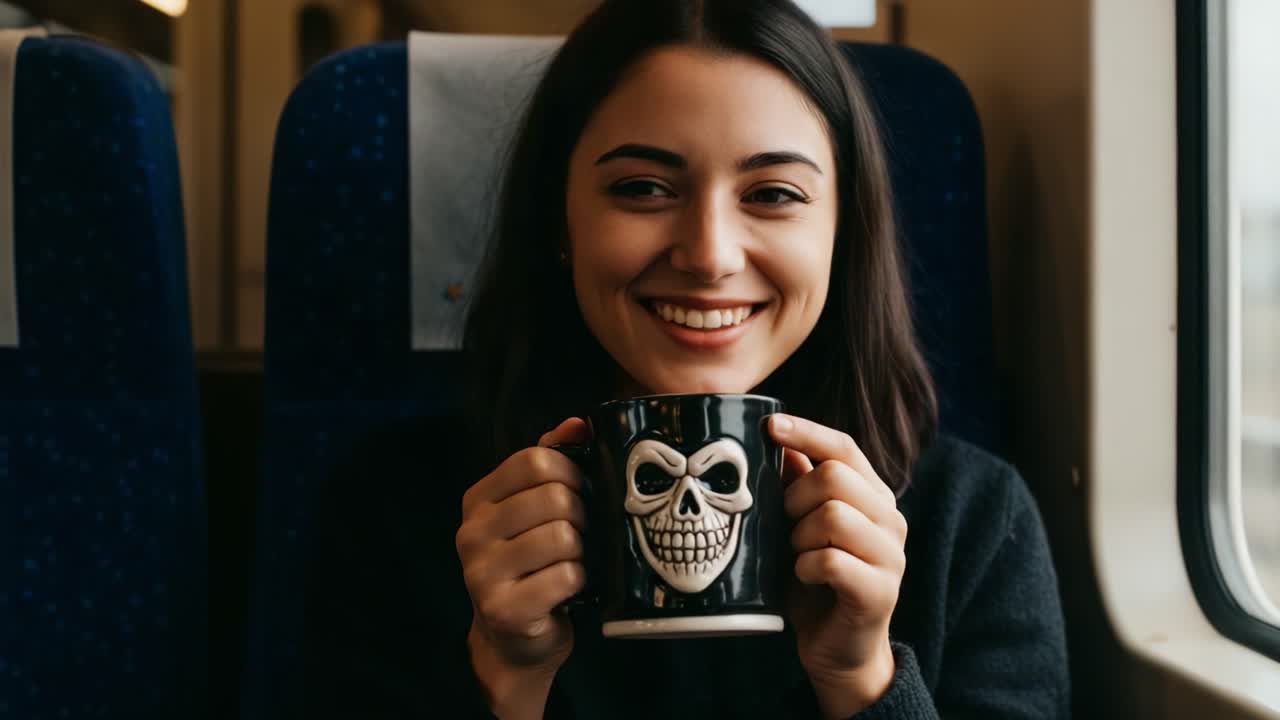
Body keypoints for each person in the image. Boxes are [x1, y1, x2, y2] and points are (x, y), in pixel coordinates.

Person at [299, 0, 1071, 718]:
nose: (709, 255)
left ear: (843, 235)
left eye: (772, 194)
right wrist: (502, 681)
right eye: (642, 188)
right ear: (560, 223)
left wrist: (864, 679)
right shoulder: (393, 510)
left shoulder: (971, 524)